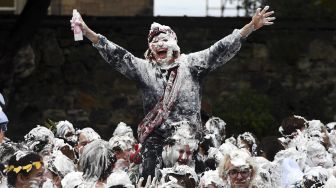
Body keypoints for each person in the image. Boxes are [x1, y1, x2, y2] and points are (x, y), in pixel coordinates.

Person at [71, 6, 275, 180]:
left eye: (164, 39)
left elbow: (219, 50)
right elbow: (117, 55)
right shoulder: (144, 68)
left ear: (174, 43)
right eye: (155, 41)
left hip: (189, 141)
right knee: (149, 179)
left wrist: (249, 28)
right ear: (150, 48)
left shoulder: (191, 64)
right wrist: (87, 32)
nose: (160, 44)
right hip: (156, 141)